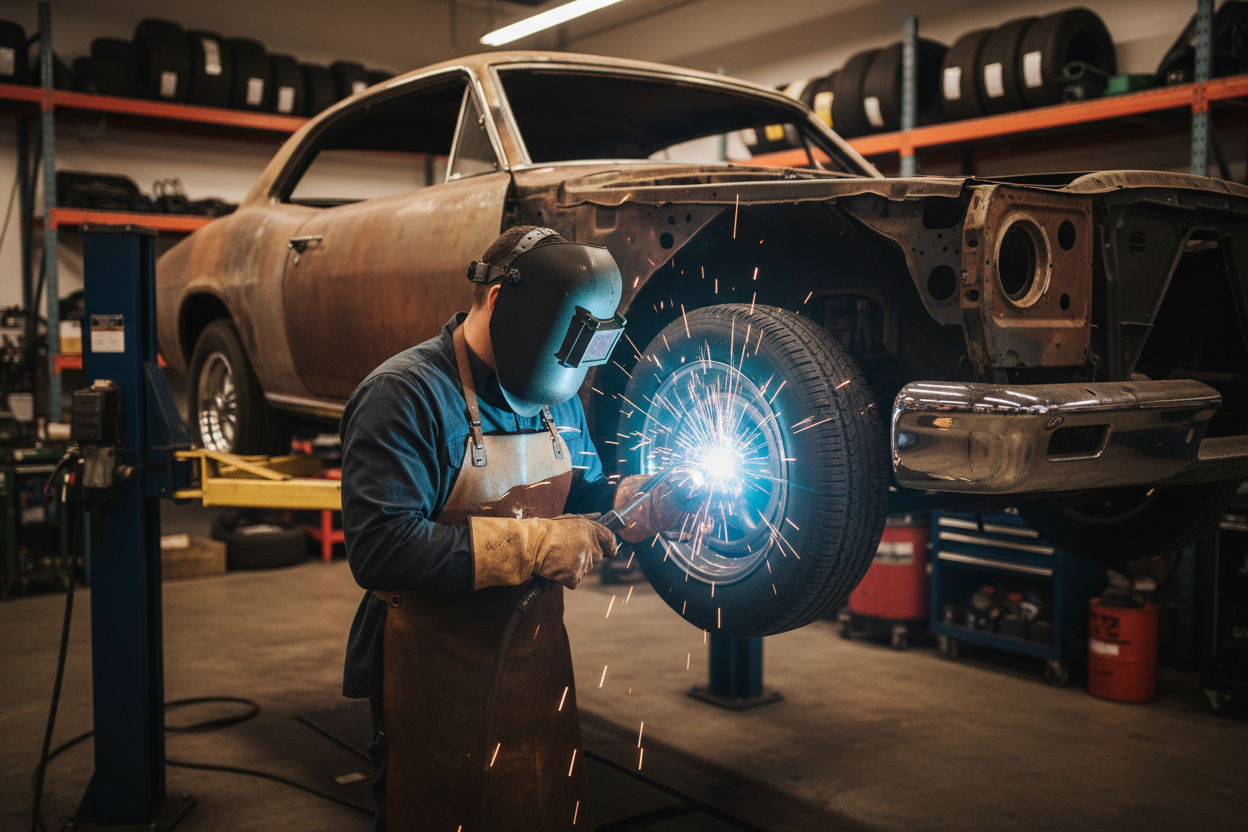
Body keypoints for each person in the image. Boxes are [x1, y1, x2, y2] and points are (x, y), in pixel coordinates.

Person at [339, 226, 689, 832]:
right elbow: (380, 549)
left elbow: (581, 494)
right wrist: (534, 545)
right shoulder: (405, 395)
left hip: (540, 658)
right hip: (434, 669)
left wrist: (628, 501)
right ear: (502, 302)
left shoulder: (559, 395)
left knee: (541, 802)